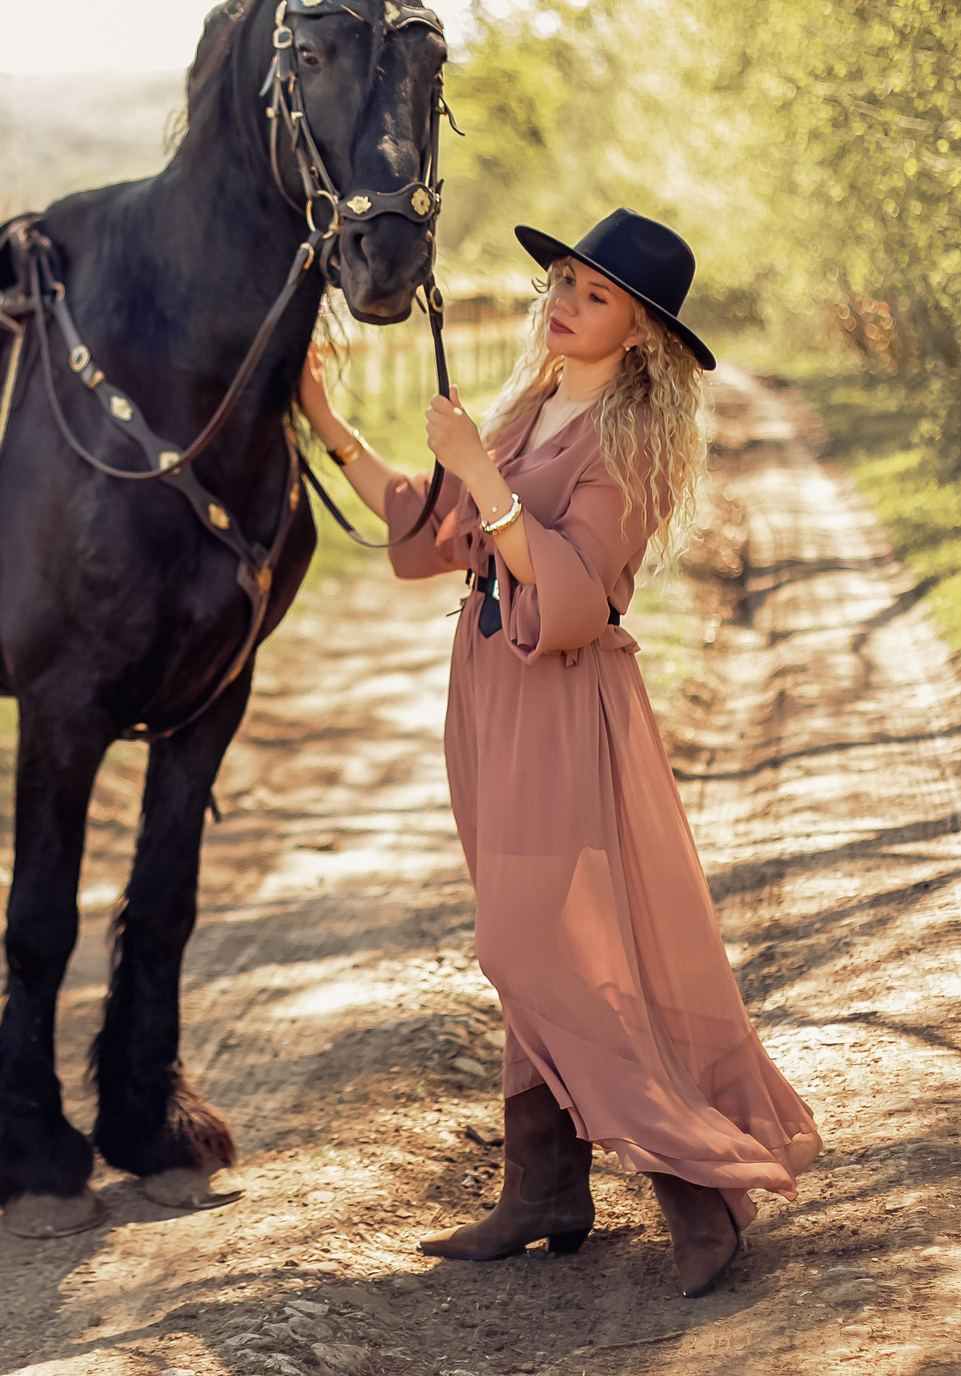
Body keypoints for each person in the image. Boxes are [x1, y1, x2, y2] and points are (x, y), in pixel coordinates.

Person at [297, 209, 819, 1295]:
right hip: (489, 693)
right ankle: (541, 1185)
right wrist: (331, 425)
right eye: (561, 285)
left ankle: (699, 1187)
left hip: (562, 699)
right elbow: (427, 526)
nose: (562, 305)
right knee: (533, 938)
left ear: (639, 332)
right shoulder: (528, 409)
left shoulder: (627, 439)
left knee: (540, 943)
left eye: (591, 295)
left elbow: (575, 594)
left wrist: (481, 486)